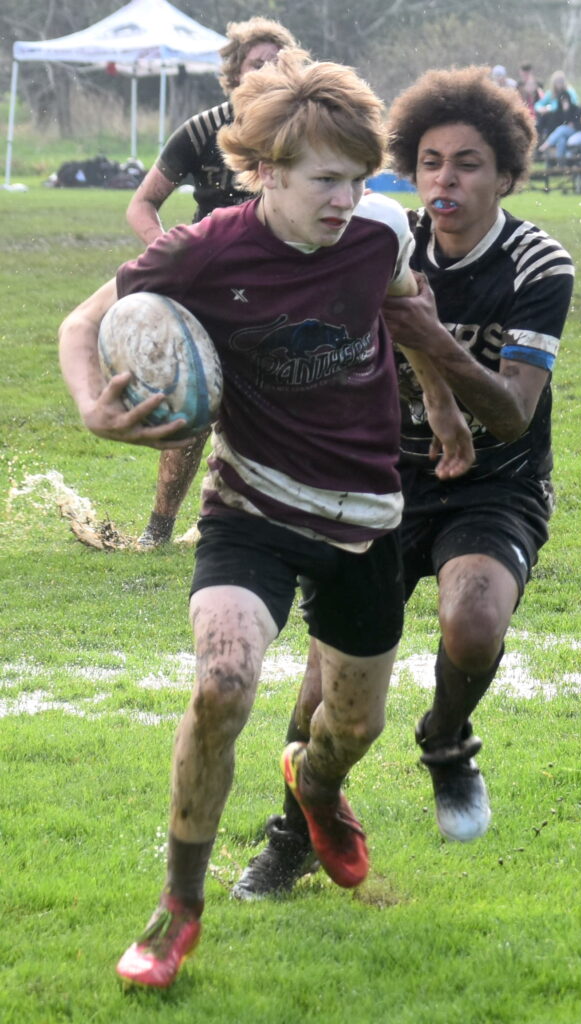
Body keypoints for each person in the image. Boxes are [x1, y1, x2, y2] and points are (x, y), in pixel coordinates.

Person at [58, 51, 473, 989]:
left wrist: (444, 410)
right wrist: (93, 405)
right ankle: (177, 908)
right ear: (269, 170)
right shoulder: (204, 248)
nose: (348, 198)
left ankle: (314, 786)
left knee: (352, 727)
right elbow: (80, 328)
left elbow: (411, 312)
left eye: (361, 180)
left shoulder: (377, 236)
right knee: (224, 683)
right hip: (251, 508)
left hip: (367, 513)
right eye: (328, 180)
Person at [232, 65, 575, 899]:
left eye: (466, 163)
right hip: (379, 479)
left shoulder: (538, 263)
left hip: (495, 481)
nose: (445, 180)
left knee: (473, 625)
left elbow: (513, 415)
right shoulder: (382, 238)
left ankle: (447, 740)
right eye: (429, 162)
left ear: (505, 174)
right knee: (322, 686)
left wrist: (433, 340)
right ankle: (293, 834)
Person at [127, 17, 299, 550]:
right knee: (195, 406)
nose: (267, 71)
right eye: (256, 63)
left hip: (285, 287)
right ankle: (157, 529)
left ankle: (261, 518)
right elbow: (142, 203)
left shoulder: (300, 128)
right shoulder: (203, 131)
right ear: (233, 75)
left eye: (277, 61)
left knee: (279, 406)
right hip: (211, 288)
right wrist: (168, 257)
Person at [537, 90, 581, 163]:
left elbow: (576, 123)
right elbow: (556, 124)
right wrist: (564, 113)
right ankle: (561, 164)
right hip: (561, 135)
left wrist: (567, 112)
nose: (564, 102)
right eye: (563, 100)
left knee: (562, 129)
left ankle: (544, 146)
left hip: (574, 132)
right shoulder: (558, 112)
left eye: (566, 100)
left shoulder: (575, 109)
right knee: (561, 140)